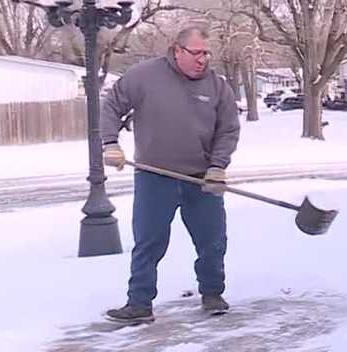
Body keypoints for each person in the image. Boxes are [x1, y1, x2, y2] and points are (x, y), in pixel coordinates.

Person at [100, 25, 241, 324]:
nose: (203, 59)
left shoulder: (218, 87)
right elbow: (112, 105)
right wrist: (110, 143)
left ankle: (213, 293)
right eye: (196, 53)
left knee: (212, 240)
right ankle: (139, 303)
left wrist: (218, 166)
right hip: (155, 177)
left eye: (207, 53)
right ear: (177, 50)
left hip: (202, 179)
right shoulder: (144, 76)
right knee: (148, 242)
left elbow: (228, 130)